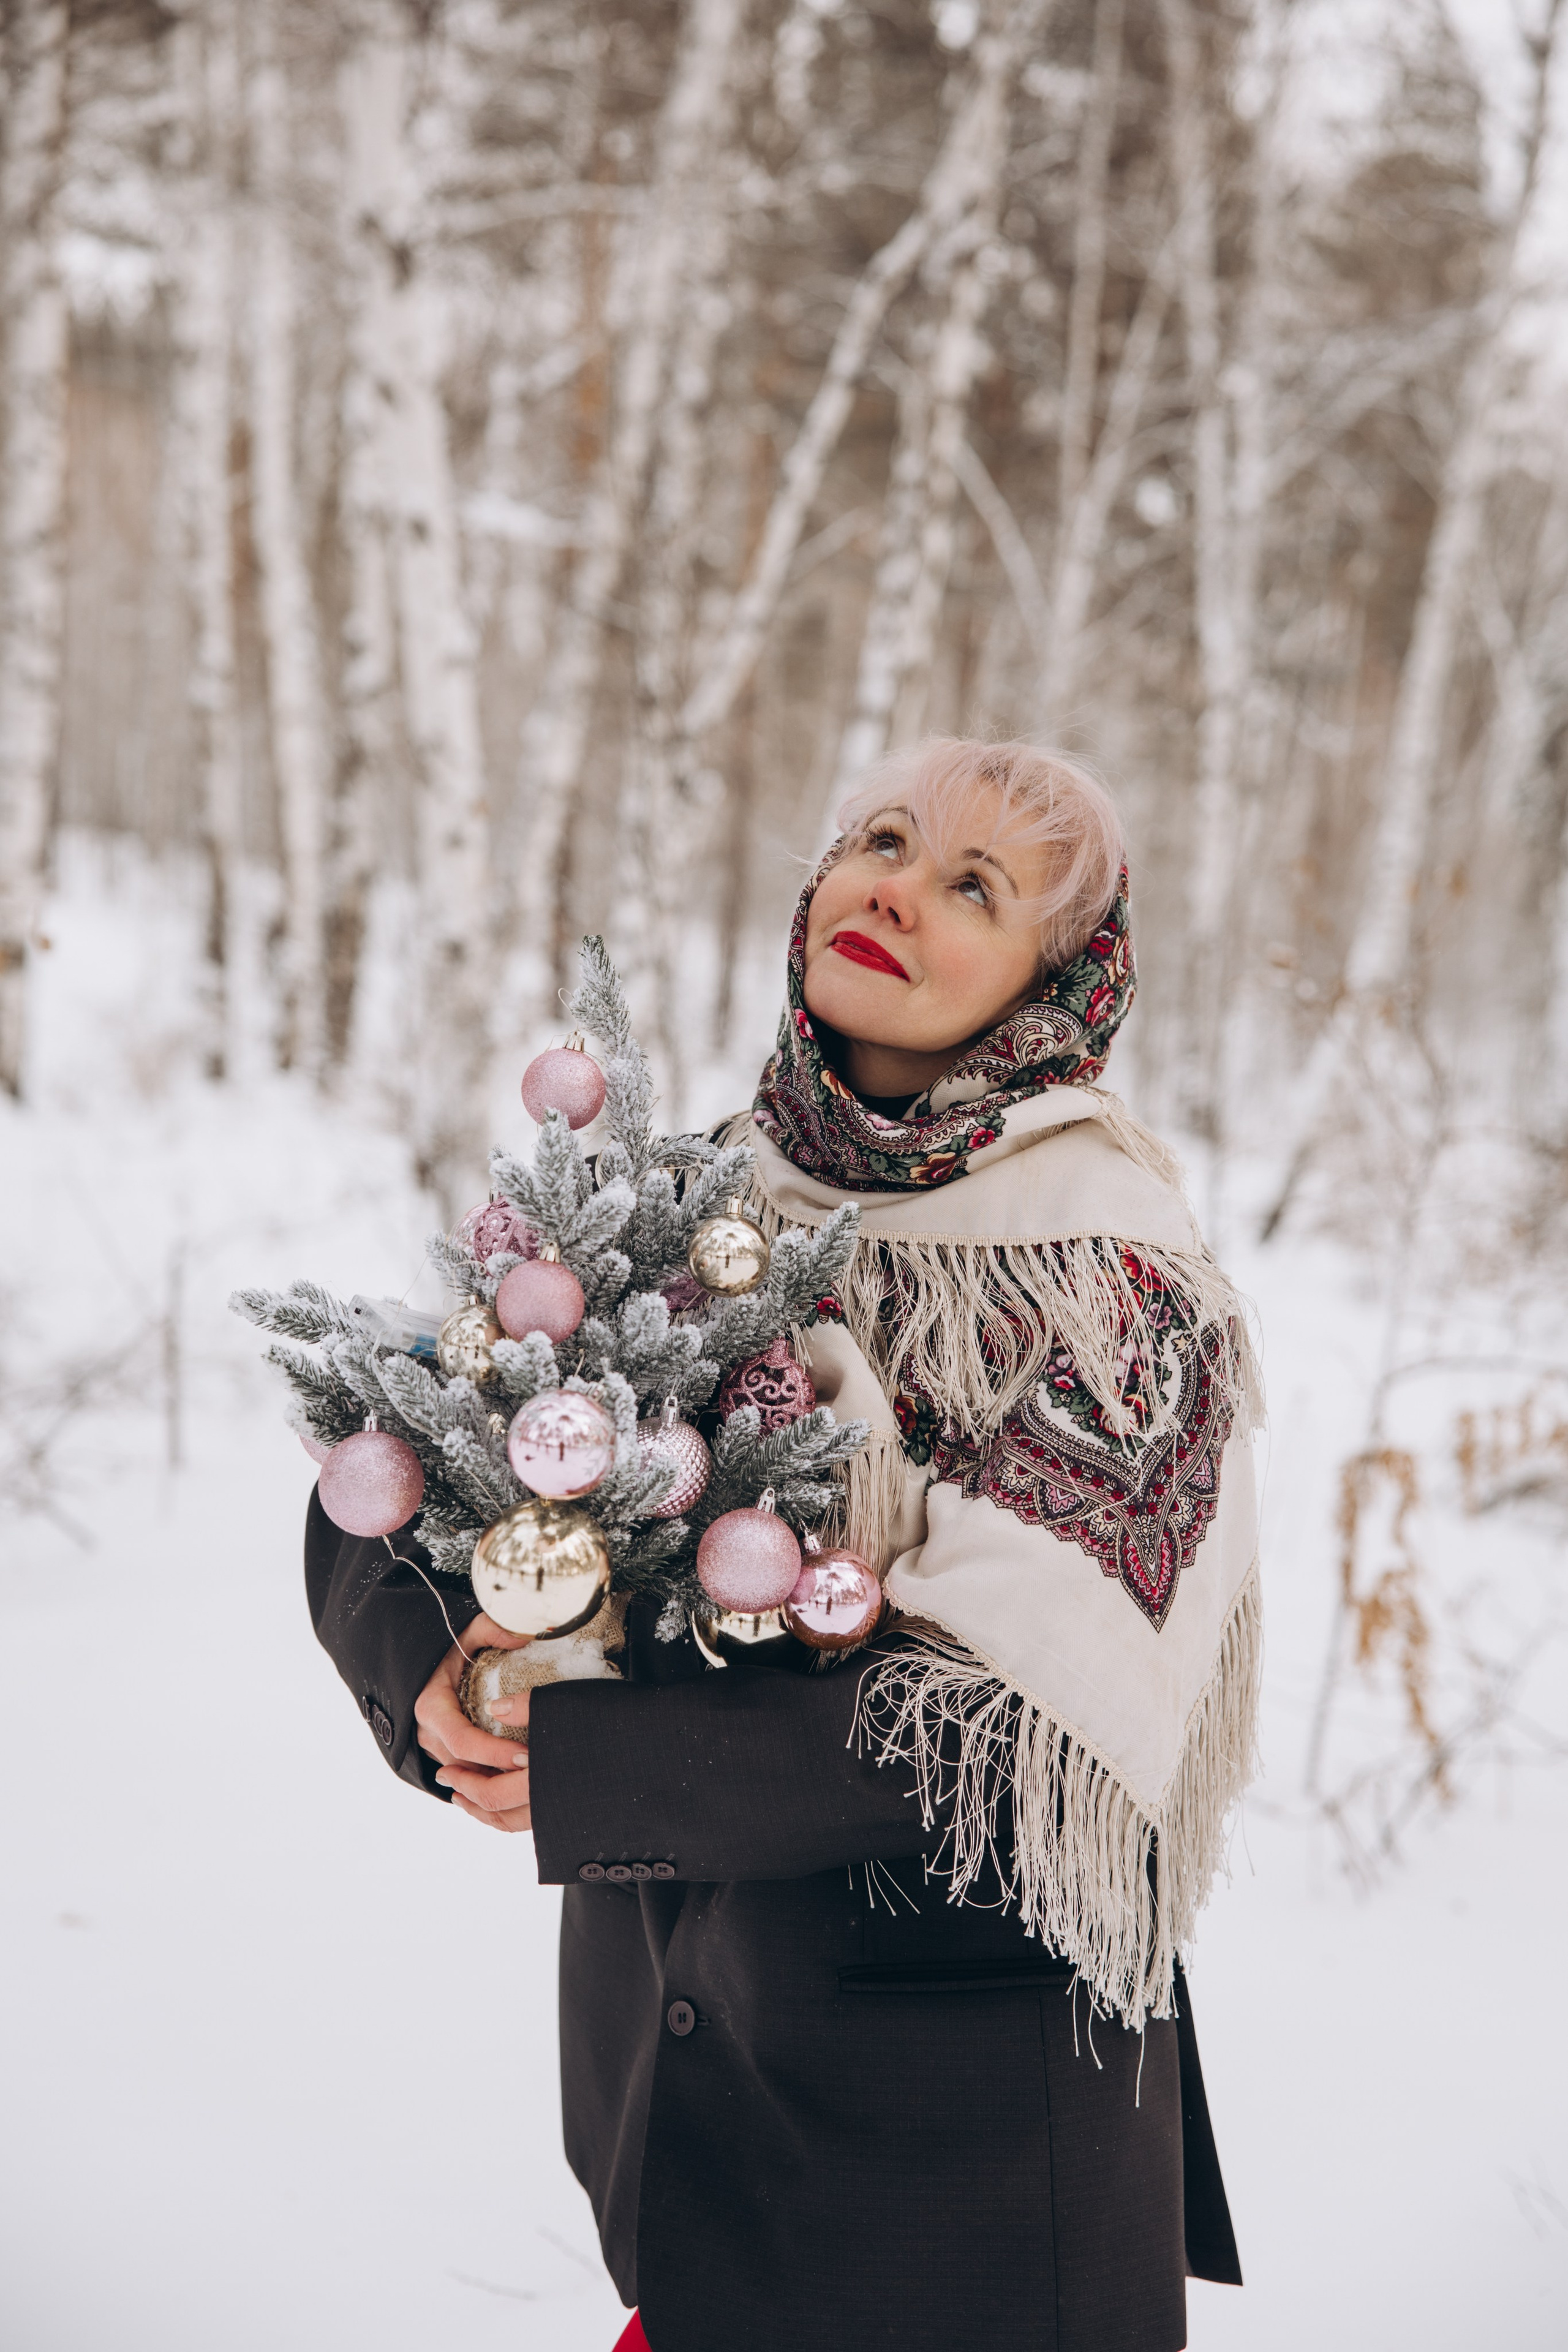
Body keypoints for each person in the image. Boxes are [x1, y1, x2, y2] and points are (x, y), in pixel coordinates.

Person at [307, 736, 1262, 2352]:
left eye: (978, 883)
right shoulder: (691, 1219)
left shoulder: (1115, 1293)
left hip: (964, 2203)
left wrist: (601, 1767)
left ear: (1059, 979)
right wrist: (445, 1689)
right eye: (880, 836)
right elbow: (400, 1466)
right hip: (690, 2155)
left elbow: (1023, 1739)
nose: (898, 883)